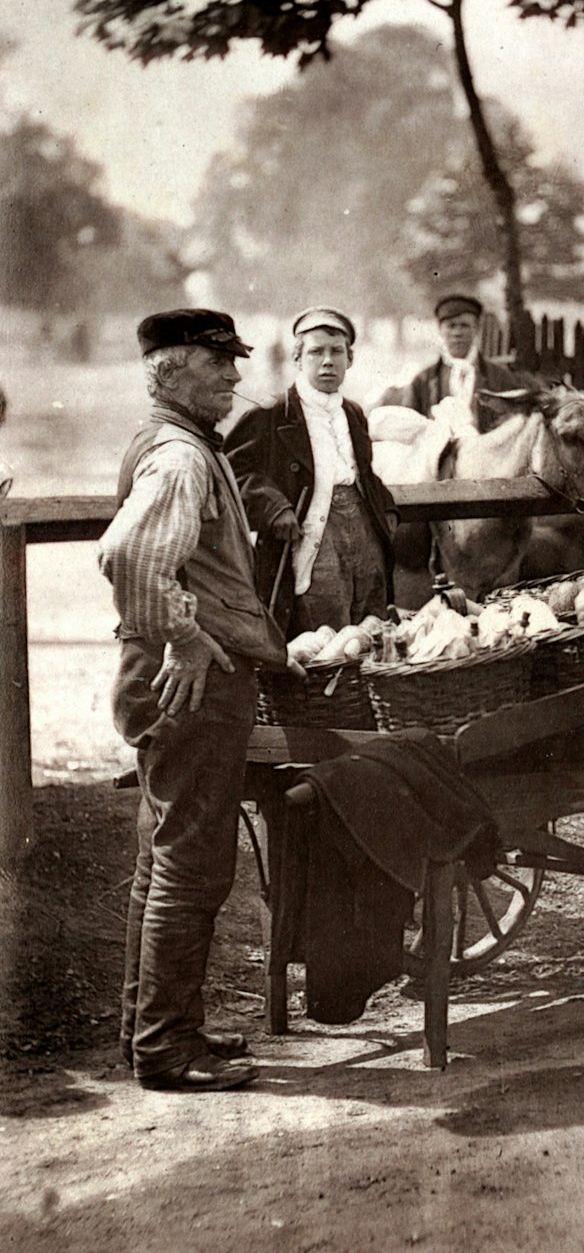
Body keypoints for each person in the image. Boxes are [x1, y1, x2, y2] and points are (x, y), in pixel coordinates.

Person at [99, 308, 295, 1091]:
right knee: (191, 867)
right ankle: (166, 1050)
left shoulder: (171, 443)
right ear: (171, 369)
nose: (235, 376)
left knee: (161, 860)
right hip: (190, 684)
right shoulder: (180, 457)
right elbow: (129, 556)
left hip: (172, 681)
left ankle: (149, 1032)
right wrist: (182, 638)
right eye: (218, 364)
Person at [224, 306, 398, 637]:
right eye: (316, 352)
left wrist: (385, 508)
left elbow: (363, 473)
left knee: (370, 622)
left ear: (350, 359)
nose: (328, 361)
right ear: (297, 359)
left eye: (337, 352)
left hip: (363, 531)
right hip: (310, 535)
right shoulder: (273, 413)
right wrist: (273, 507)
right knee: (324, 632)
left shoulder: (353, 413)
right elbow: (232, 471)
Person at [371, 293, 525, 434]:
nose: (457, 333)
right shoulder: (423, 381)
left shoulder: (500, 377)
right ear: (440, 330)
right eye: (451, 326)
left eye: (464, 325)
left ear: (476, 328)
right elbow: (408, 428)